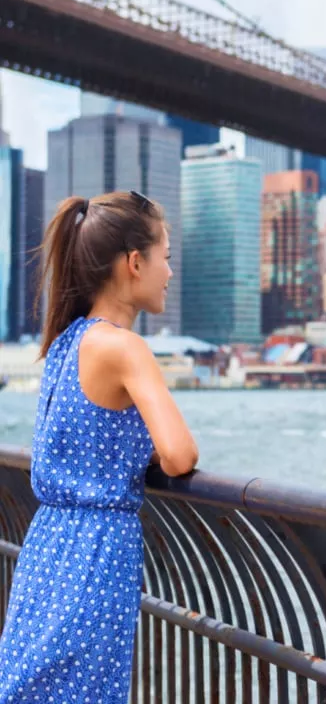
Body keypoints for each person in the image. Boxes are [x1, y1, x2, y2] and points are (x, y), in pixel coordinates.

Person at [0, 191, 199, 703]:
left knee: (34, 683)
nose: (170, 274)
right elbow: (179, 455)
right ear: (135, 263)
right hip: (95, 553)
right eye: (166, 258)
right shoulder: (124, 347)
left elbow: (82, 437)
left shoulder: (65, 341)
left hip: (47, 546)